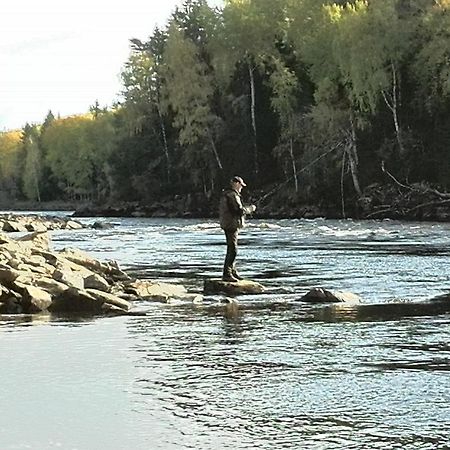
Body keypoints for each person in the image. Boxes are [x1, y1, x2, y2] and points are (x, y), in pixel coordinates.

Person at [219, 176, 256, 282]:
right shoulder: (232, 195)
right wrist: (250, 209)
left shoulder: (228, 194)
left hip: (229, 224)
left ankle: (233, 272)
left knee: (232, 248)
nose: (241, 188)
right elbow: (238, 211)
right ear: (236, 183)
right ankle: (227, 274)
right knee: (233, 250)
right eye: (241, 185)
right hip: (231, 225)